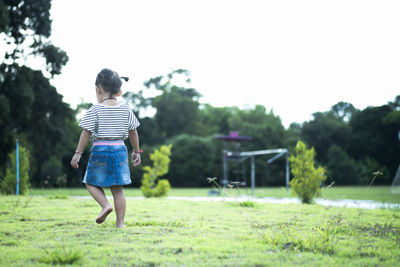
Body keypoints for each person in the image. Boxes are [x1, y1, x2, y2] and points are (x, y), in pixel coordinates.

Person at [70, 68, 141, 228]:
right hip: (119, 150)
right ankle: (120, 223)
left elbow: (86, 132)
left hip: (100, 150)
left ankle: (105, 205)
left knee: (90, 182)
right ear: (120, 91)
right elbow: (133, 132)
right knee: (118, 189)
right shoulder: (125, 109)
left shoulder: (95, 109)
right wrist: (136, 151)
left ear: (98, 89)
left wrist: (78, 153)